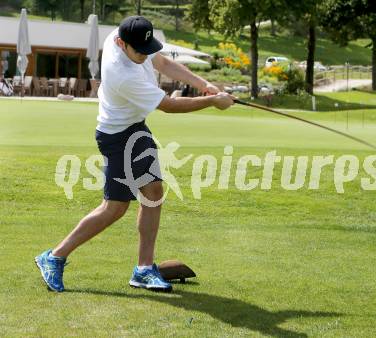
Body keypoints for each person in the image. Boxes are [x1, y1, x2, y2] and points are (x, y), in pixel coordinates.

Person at [35, 16, 234, 293]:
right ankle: (54, 256)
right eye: (139, 51)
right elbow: (168, 105)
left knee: (153, 192)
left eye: (147, 48)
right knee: (115, 208)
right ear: (120, 43)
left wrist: (203, 84)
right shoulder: (122, 73)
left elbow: (162, 62)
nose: (145, 55)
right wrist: (212, 101)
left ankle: (143, 269)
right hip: (116, 136)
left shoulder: (130, 37)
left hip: (135, 129)